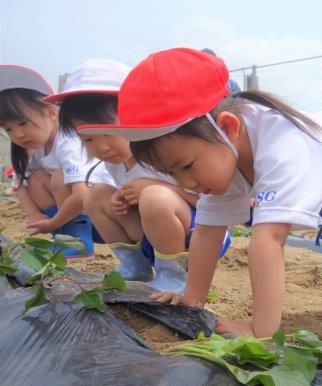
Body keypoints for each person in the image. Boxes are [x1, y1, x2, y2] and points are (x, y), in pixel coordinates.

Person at [78, 47, 322, 338]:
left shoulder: (285, 146)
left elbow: (269, 239)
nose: (185, 183)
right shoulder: (224, 153)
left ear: (228, 127)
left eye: (186, 166)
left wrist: (260, 329)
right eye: (171, 173)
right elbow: (206, 233)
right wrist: (193, 298)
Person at [52, 58, 231, 290]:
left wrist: (157, 188)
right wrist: (121, 197)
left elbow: (212, 204)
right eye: (88, 139)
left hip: (201, 235)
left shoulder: (161, 152)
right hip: (155, 236)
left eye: (109, 133)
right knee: (94, 196)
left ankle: (174, 275)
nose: (102, 147)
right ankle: (135, 266)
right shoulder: (113, 163)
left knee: (155, 197)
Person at [0, 64, 113, 256]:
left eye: (22, 123)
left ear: (51, 113)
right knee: (32, 179)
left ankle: (75, 237)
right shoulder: (36, 148)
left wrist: (52, 222)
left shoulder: (67, 142)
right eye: (8, 129)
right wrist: (35, 215)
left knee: (60, 178)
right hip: (77, 214)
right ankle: (66, 234)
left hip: (106, 213)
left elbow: (81, 195)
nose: (17, 134)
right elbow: (20, 185)